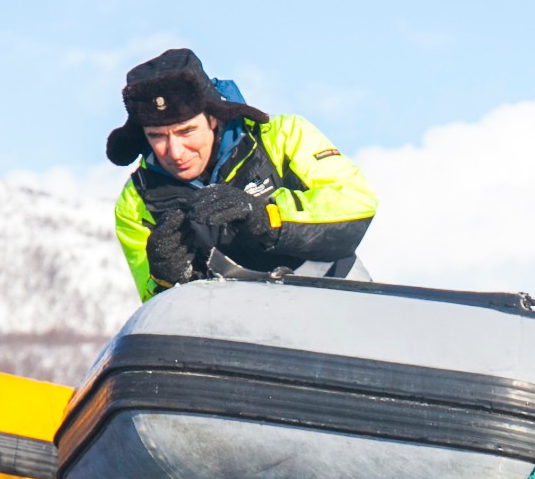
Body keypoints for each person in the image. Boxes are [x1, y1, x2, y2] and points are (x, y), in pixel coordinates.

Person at [104, 48, 379, 302]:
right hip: (243, 328)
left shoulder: (283, 135)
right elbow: (154, 308)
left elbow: (356, 202)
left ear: (213, 118)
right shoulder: (137, 201)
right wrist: (164, 280)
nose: (175, 151)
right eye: (157, 136)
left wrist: (267, 218)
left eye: (186, 131)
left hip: (340, 294)